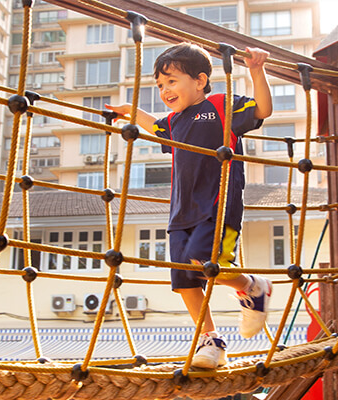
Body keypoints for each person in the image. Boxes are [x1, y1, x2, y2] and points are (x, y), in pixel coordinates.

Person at [106, 42, 273, 369]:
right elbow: (156, 127)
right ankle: (210, 341)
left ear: (199, 81)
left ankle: (252, 287)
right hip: (181, 213)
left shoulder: (221, 105)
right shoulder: (175, 121)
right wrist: (130, 111)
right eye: (160, 85)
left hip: (216, 204)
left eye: (172, 81)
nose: (165, 90)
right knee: (184, 281)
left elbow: (263, 110)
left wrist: (256, 71)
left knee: (202, 263)